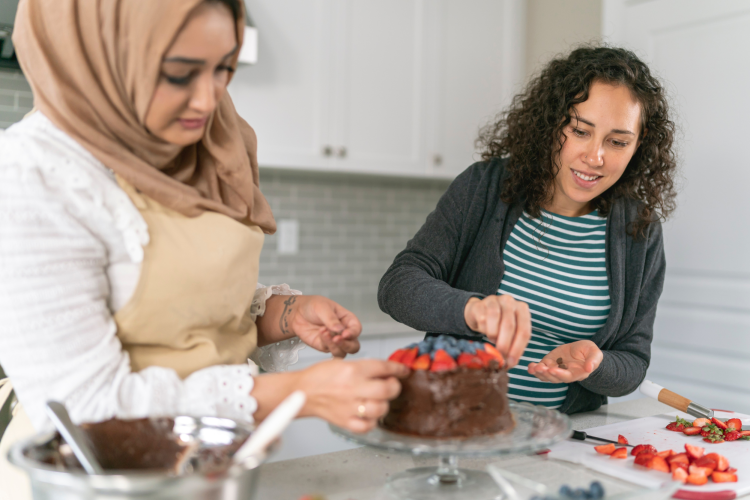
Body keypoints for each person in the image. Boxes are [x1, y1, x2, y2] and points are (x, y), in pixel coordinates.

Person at [0, 0, 407, 496]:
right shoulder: (34, 173)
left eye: (223, 69)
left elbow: (183, 314)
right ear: (106, 55)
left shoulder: (197, 148)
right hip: (91, 482)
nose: (207, 99)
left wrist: (284, 313)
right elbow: (87, 407)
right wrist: (298, 392)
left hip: (211, 472)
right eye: (179, 74)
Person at [378, 46, 678, 414]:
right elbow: (398, 286)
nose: (595, 156)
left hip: (560, 443)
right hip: (450, 426)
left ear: (640, 142)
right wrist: (473, 310)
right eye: (580, 131)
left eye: (617, 142)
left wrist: (595, 364)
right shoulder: (484, 188)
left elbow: (632, 362)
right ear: (552, 124)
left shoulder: (639, 231)